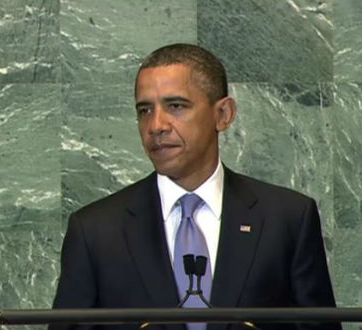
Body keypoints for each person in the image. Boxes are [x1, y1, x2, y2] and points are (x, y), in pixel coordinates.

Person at [51, 43, 340, 330]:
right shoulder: (95, 231)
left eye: (175, 106)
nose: (156, 125)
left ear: (223, 114)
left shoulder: (288, 218)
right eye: (144, 110)